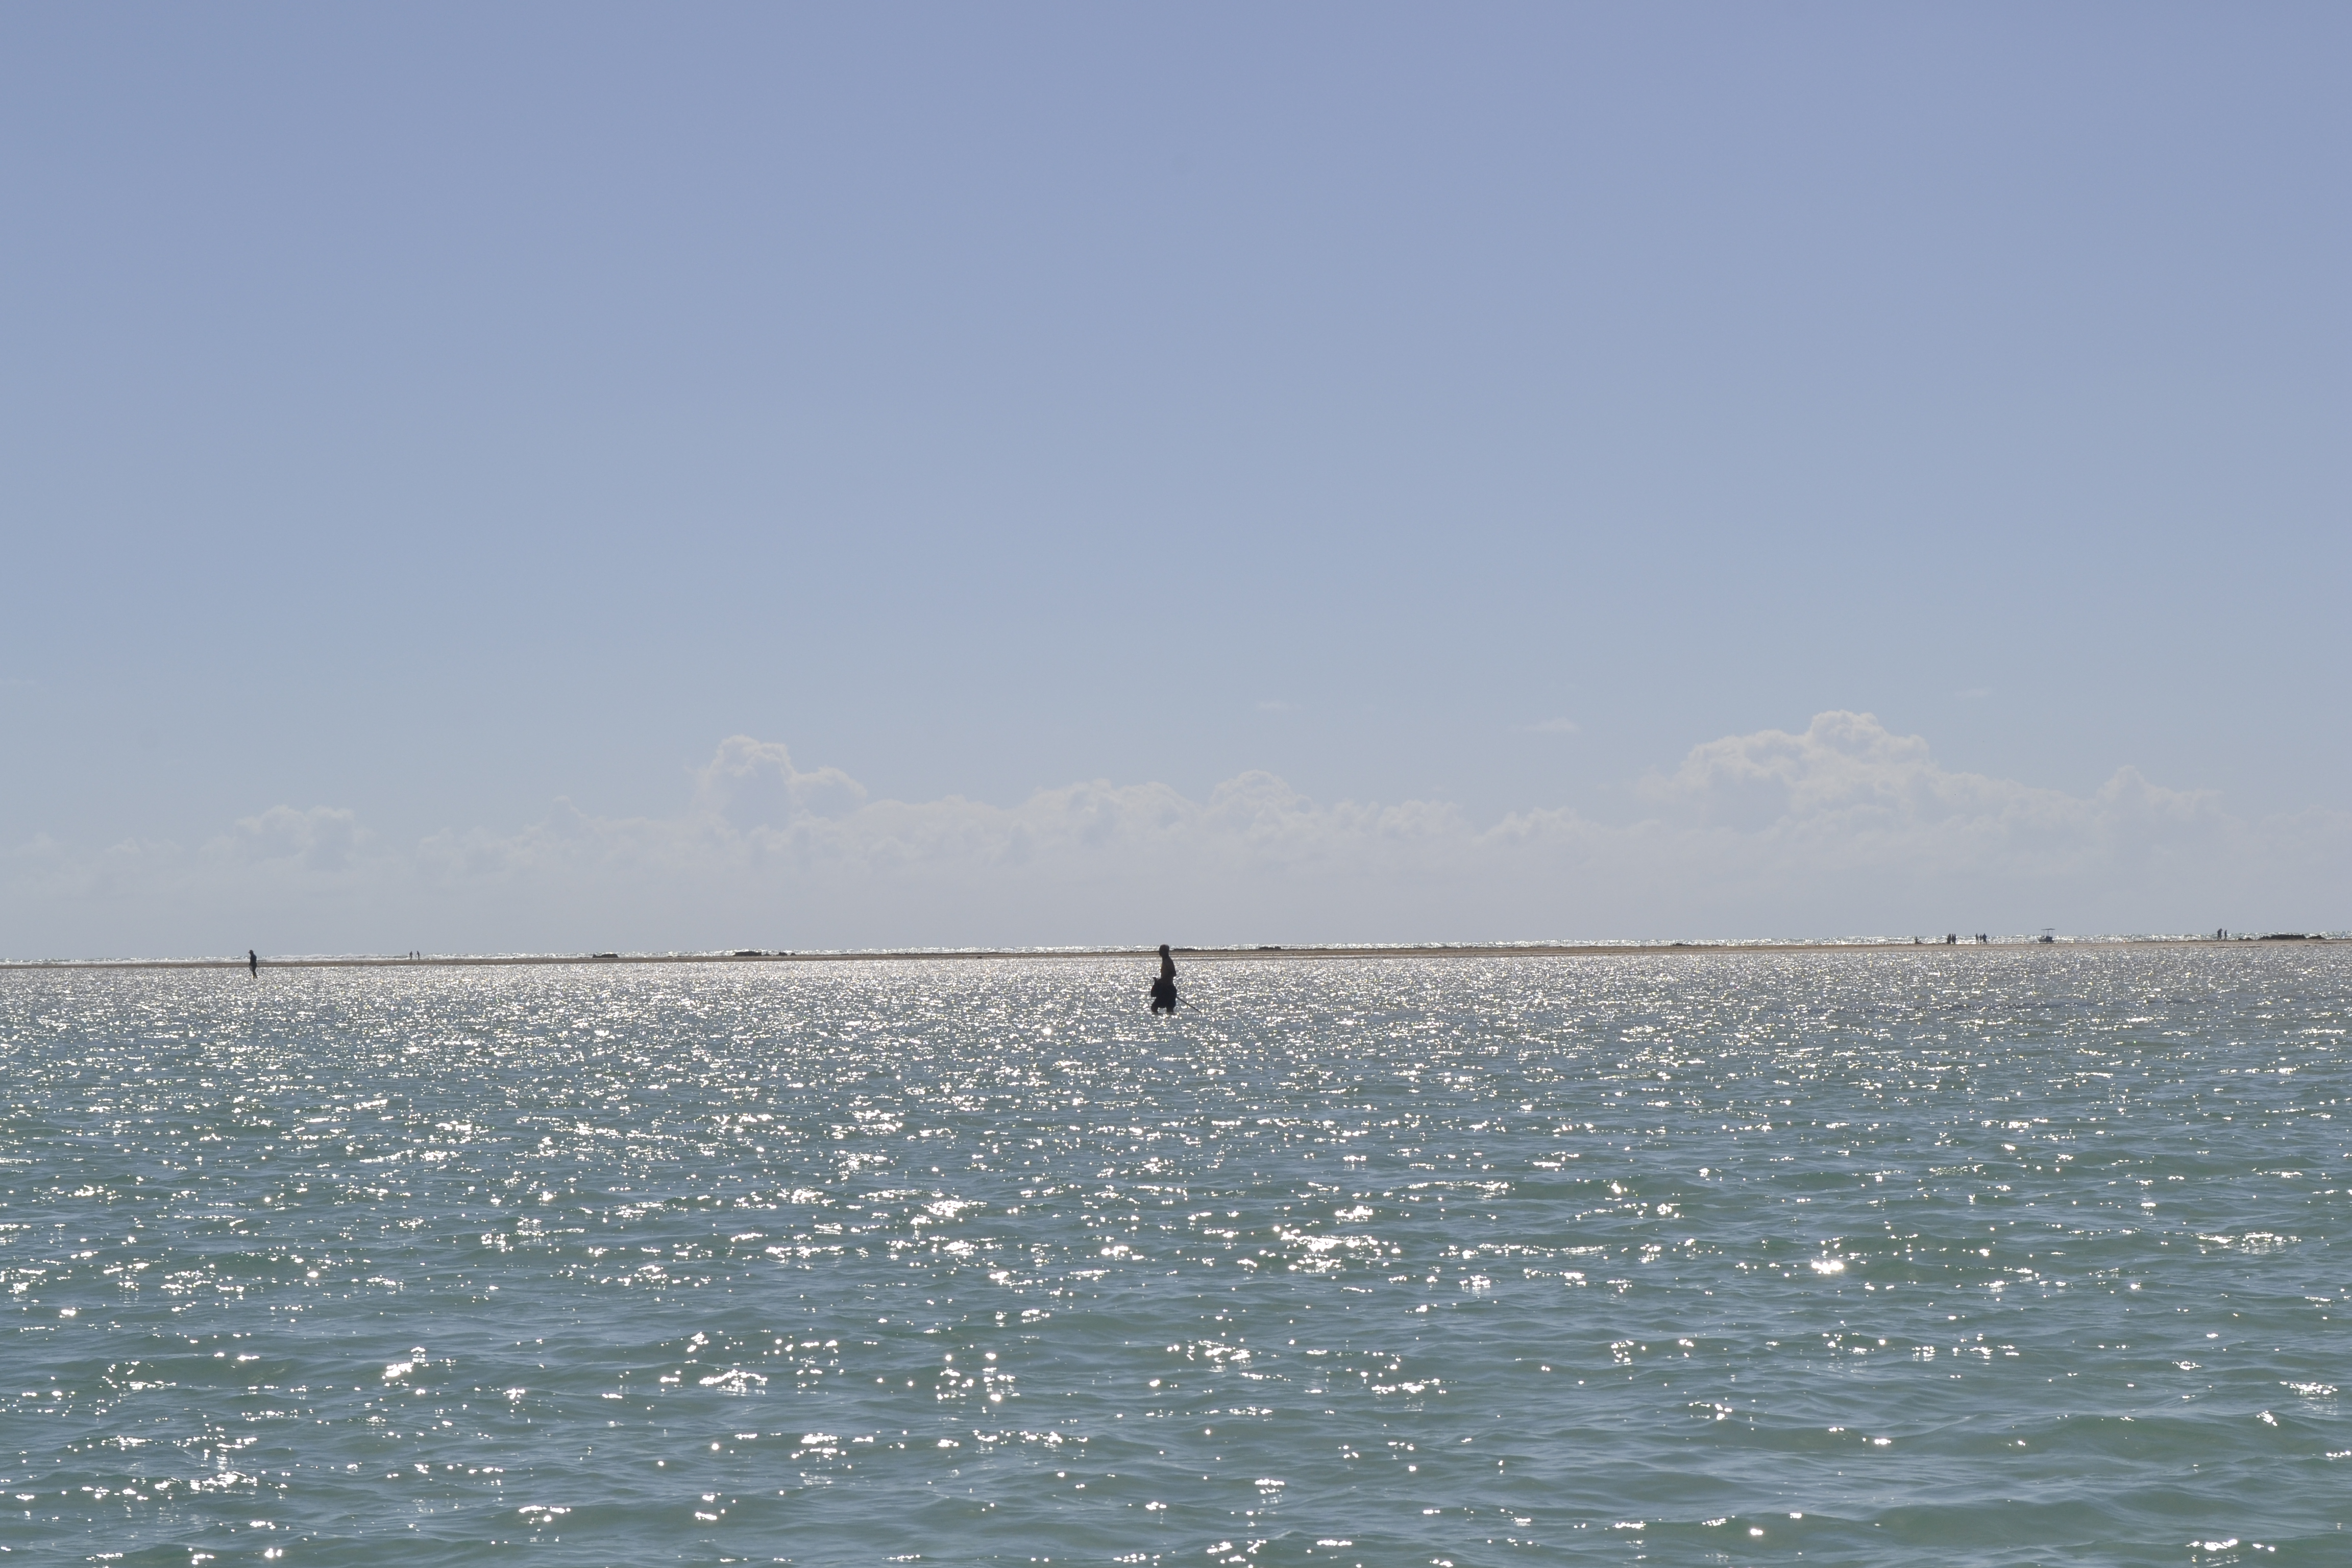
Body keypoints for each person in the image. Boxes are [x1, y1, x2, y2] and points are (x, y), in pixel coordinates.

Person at [1149, 944, 1178, 1014]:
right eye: (1160, 950)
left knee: (1155, 1007)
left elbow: (1173, 973)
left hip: (1168, 989)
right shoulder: (1165, 961)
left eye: (1162, 951)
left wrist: (1161, 980)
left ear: (1166, 952)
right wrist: (1159, 980)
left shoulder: (1168, 961)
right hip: (1166, 988)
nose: (1160, 952)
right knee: (1169, 1009)